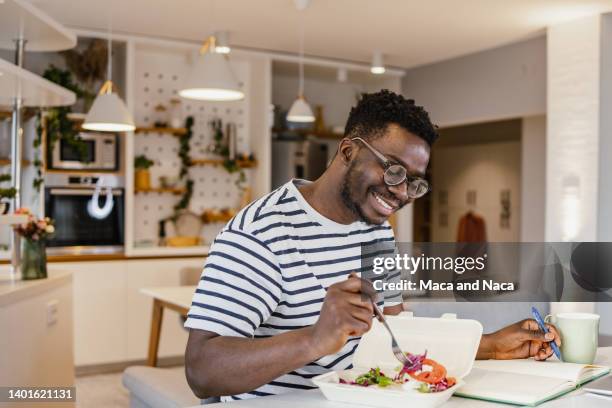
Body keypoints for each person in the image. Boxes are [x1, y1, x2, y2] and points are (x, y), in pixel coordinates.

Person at [184, 90, 560, 401]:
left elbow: (394, 334)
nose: (400, 193)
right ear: (348, 151)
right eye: (393, 170)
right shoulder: (261, 233)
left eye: (413, 182)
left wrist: (491, 346)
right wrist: (315, 339)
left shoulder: (376, 230)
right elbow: (202, 370)